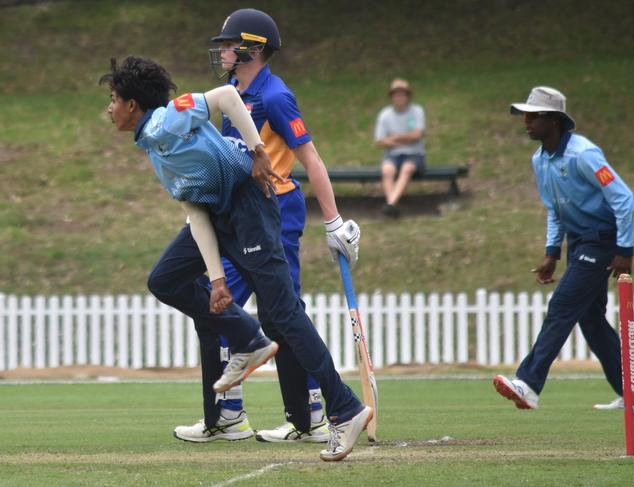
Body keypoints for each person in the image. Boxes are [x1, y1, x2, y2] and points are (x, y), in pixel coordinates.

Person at [100, 55, 372, 461]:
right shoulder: (153, 146)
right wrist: (216, 281)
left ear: (133, 106)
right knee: (166, 280)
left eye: (113, 98)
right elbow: (196, 213)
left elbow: (227, 96)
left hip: (249, 204)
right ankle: (248, 338)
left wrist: (259, 151)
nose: (109, 107)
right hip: (219, 215)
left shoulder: (167, 120)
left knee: (284, 314)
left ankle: (344, 409)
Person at [173, 8, 359, 445]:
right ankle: (229, 414)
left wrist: (332, 221)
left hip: (278, 211)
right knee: (220, 309)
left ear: (252, 48)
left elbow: (310, 157)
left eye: (227, 43)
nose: (220, 50)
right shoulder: (232, 93)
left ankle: (312, 414)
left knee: (282, 316)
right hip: (239, 212)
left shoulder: (275, 96)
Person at [493, 86, 634, 411]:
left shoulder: (584, 153)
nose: (527, 121)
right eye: (526, 115)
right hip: (580, 242)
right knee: (590, 319)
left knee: (562, 306)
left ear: (554, 120)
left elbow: (623, 198)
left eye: (533, 115)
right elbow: (555, 209)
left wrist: (625, 250)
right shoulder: (539, 160)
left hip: (604, 240)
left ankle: (529, 383)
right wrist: (552, 252)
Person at [374, 78, 426, 218]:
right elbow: (379, 141)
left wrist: (395, 138)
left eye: (403, 94)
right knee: (387, 170)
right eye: (397, 94)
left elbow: (418, 134)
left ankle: (390, 204)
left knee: (407, 168)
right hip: (392, 155)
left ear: (408, 96)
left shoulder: (417, 111)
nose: (400, 97)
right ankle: (392, 206)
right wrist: (404, 140)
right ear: (392, 97)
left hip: (415, 154)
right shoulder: (385, 114)